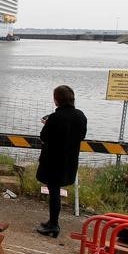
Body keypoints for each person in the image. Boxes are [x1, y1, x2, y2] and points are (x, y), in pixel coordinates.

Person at [35, 85, 87, 238]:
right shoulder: (80, 116)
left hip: (53, 160)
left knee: (54, 191)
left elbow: (44, 137)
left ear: (57, 100)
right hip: (70, 160)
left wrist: (47, 124)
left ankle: (54, 224)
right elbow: (82, 136)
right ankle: (52, 221)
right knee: (55, 190)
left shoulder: (54, 118)